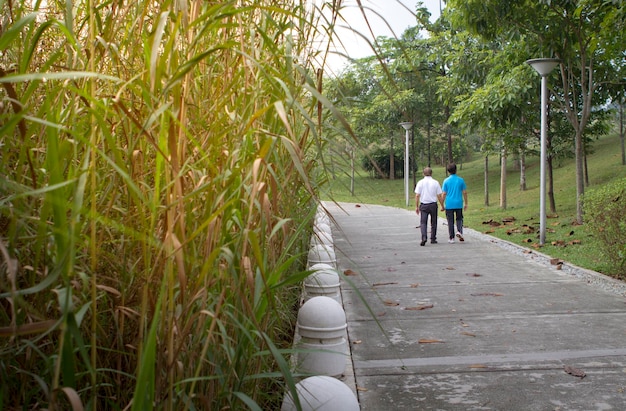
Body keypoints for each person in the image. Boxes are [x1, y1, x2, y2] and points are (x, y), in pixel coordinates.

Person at [414, 167, 444, 246]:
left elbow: (417, 195)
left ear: (423, 174)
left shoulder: (420, 182)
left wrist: (416, 206)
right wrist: (442, 205)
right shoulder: (435, 182)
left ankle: (424, 237)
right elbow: (439, 195)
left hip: (424, 204)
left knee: (423, 222)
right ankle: (433, 238)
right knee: (434, 222)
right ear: (431, 173)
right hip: (433, 204)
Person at [441, 163, 468, 244]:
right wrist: (466, 203)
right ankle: (459, 231)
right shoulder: (461, 180)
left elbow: (444, 193)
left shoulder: (446, 181)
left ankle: (451, 237)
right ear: (456, 170)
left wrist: (442, 204)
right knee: (459, 218)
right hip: (458, 203)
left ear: (448, 171)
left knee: (450, 221)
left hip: (449, 204)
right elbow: (464, 192)